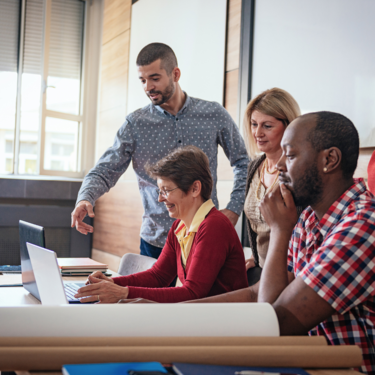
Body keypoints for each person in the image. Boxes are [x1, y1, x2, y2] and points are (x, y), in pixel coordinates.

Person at [186, 112, 375, 374]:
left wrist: (279, 230)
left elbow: (275, 322)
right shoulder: (310, 216)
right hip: (303, 362)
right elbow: (257, 293)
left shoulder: (363, 225)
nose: (280, 166)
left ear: (329, 160)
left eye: (291, 155)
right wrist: (170, 312)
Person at [71, 43, 249, 259]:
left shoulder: (213, 114)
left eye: (155, 78)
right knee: (153, 294)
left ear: (175, 74)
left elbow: (242, 162)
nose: (148, 87)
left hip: (205, 237)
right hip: (156, 241)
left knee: (203, 295)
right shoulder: (135, 124)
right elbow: (104, 170)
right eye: (143, 80)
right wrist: (85, 198)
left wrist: (234, 208)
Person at [74, 146, 248, 303]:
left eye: (166, 190)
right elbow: (158, 276)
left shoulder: (214, 226)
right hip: (201, 317)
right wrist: (110, 283)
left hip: (223, 323)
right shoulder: (179, 227)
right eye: (160, 190)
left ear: (195, 188)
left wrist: (123, 293)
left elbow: (193, 293)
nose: (160, 198)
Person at [242, 88, 302, 270]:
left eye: (267, 126)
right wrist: (256, 256)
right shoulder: (254, 166)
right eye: (254, 124)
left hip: (290, 272)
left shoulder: (298, 171)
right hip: (262, 268)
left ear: (289, 126)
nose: (257, 133)